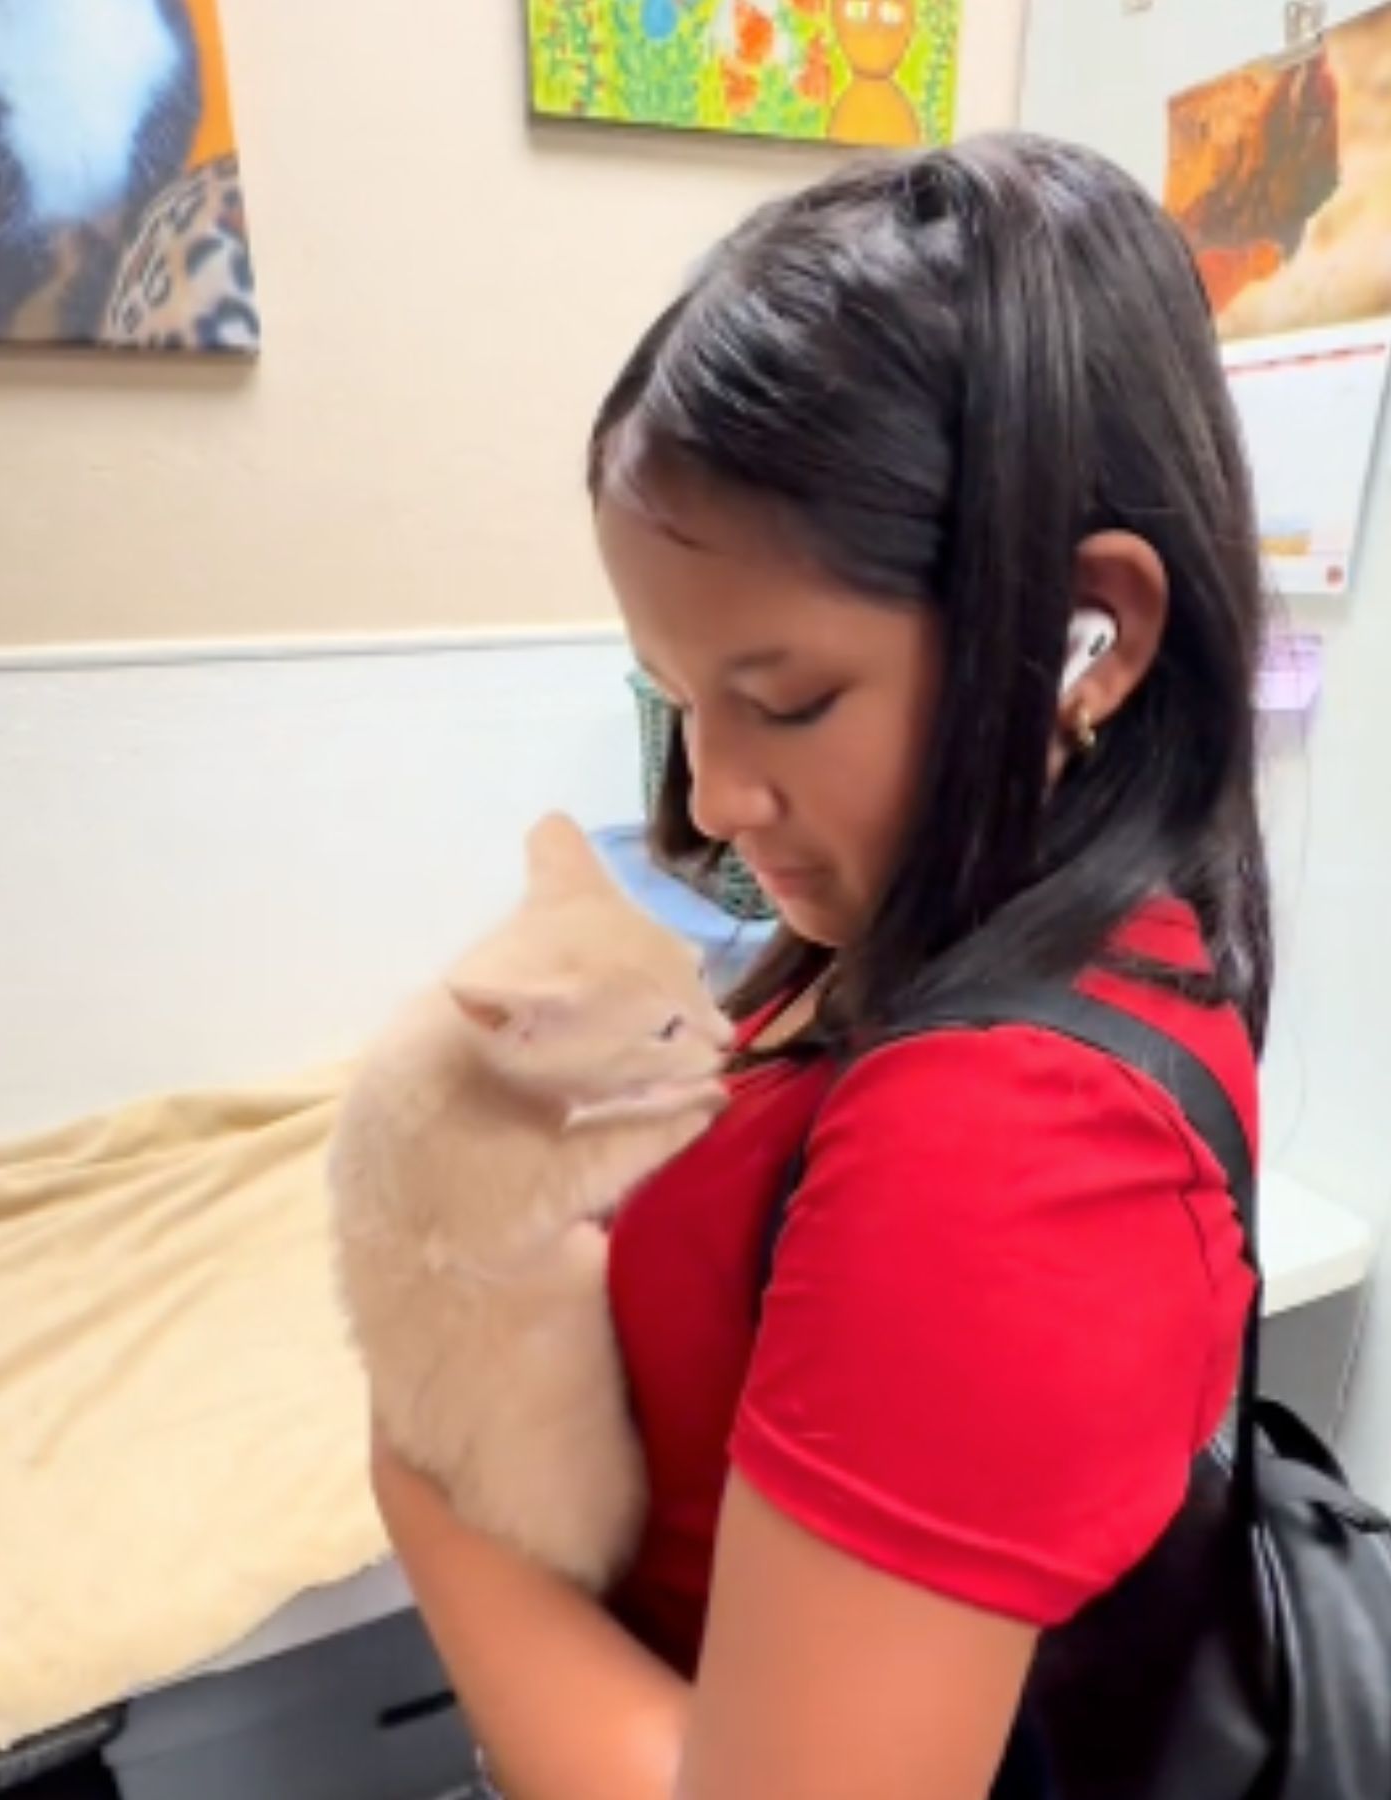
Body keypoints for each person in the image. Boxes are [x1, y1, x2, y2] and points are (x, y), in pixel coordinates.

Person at [371, 132, 1269, 1800]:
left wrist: (424, 1473)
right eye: (676, 700)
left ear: (1095, 632)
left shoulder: (1004, 1139)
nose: (712, 795)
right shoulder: (978, 924)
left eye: (786, 702)